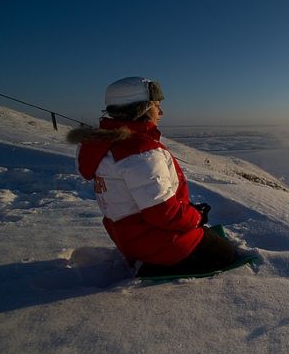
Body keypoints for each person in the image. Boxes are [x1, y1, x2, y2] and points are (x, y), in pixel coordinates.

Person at [67, 76, 237, 277]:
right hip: (160, 246)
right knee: (228, 254)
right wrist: (196, 217)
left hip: (132, 238)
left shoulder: (103, 145)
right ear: (142, 109)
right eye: (157, 106)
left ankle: (144, 260)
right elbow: (163, 212)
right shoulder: (139, 152)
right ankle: (150, 266)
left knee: (209, 237)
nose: (161, 112)